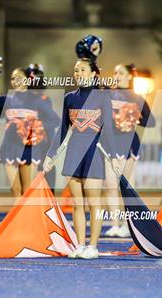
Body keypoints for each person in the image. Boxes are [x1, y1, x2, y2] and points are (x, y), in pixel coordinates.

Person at [43, 47, 117, 259]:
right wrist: (50, 156)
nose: (78, 74)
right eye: (76, 71)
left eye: (83, 70)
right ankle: (80, 245)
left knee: (94, 202)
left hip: (94, 153)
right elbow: (62, 130)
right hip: (74, 153)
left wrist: (113, 157)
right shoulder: (70, 98)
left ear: (94, 74)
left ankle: (93, 246)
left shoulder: (103, 97)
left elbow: (109, 129)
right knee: (77, 203)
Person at [0, 66, 59, 197]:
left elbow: (55, 120)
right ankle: (17, 218)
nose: (15, 81)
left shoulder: (37, 100)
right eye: (13, 78)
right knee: (15, 190)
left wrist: (37, 125)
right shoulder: (8, 100)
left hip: (28, 149)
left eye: (19, 78)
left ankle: (28, 218)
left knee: (27, 190)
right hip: (9, 147)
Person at [104, 63, 155, 237]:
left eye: (120, 73)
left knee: (126, 186)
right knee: (110, 186)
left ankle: (128, 225)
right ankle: (114, 225)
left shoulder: (137, 97)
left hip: (129, 143)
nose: (116, 75)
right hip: (110, 143)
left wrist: (131, 117)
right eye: (115, 72)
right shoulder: (108, 94)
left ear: (129, 76)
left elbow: (150, 121)